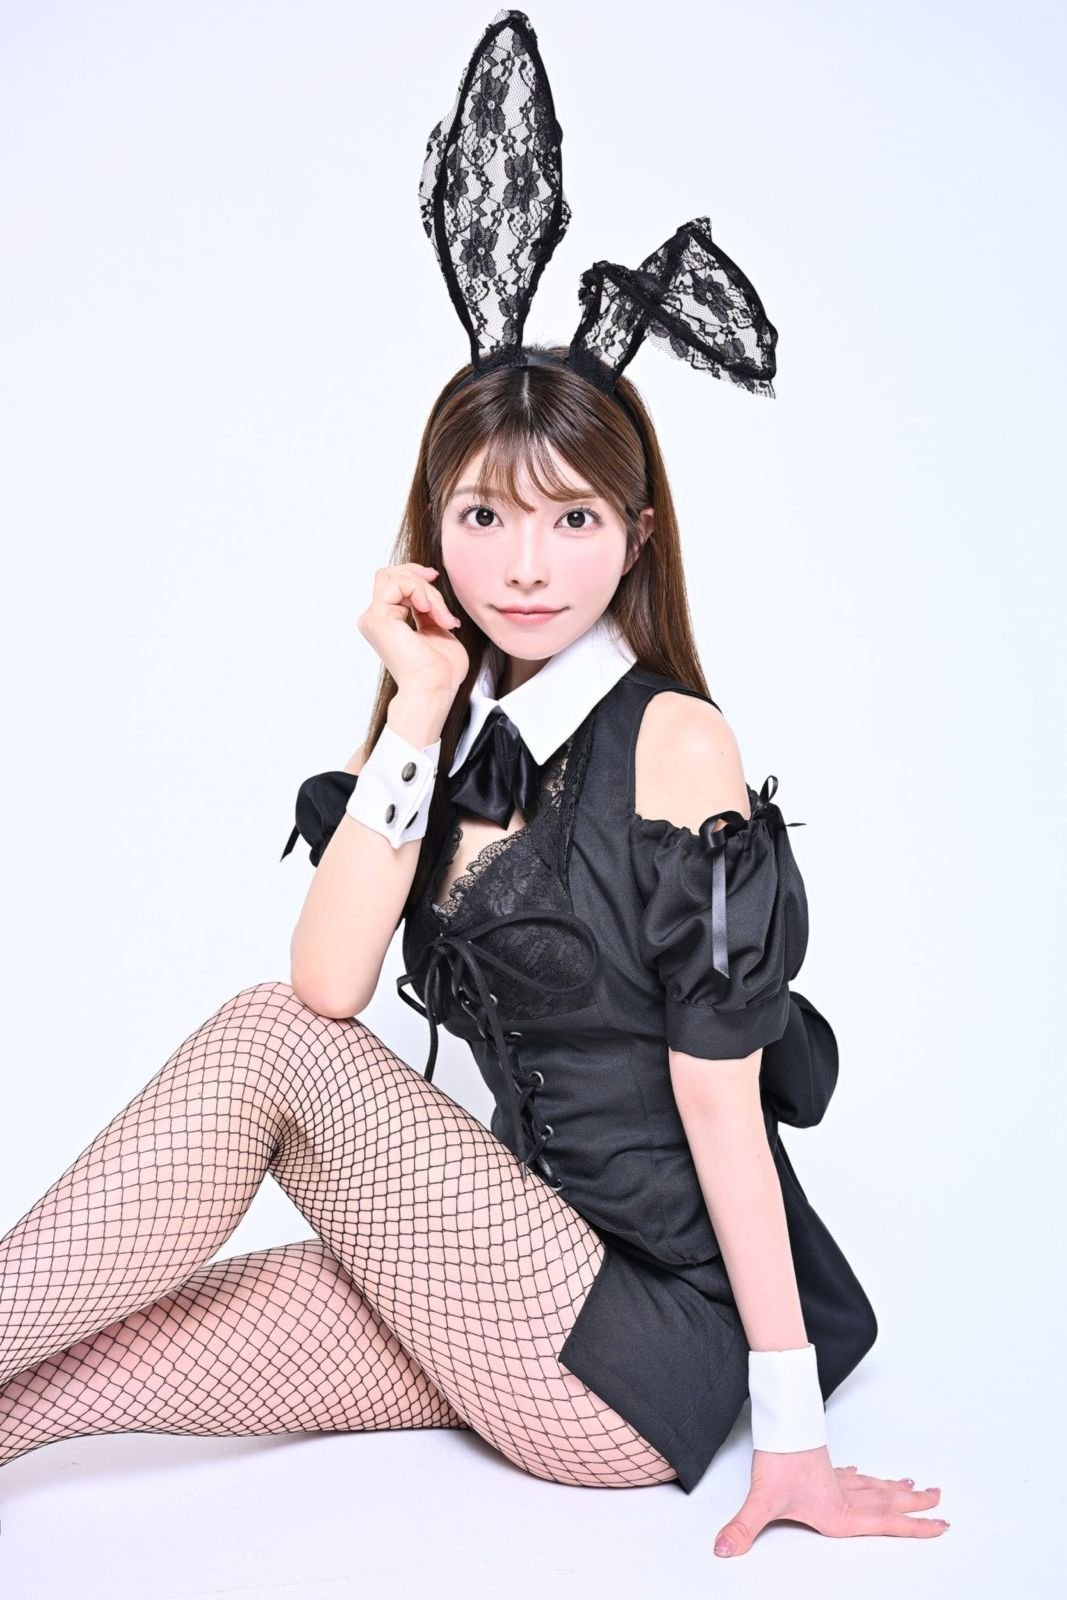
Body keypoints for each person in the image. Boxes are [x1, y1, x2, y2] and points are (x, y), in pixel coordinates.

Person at [0, 6, 947, 1558]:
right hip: (505, 1274)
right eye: (487, 517)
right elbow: (332, 978)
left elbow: (720, 1101)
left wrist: (793, 1437)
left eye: (574, 521)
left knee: (258, 1039)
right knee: (67, 1380)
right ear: (433, 525)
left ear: (636, 540)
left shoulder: (677, 744)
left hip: (642, 1344)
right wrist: (421, 708)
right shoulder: (444, 727)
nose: (527, 565)